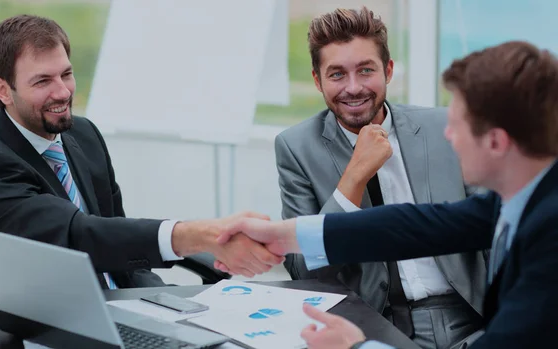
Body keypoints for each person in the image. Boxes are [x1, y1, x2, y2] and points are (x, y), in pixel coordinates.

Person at [216, 40, 558, 349]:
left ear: (496, 142)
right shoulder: (520, 198)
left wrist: (357, 348)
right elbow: (419, 225)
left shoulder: (550, 238)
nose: (449, 136)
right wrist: (283, 236)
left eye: (458, 126)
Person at [0, 14, 283, 290]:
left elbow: (117, 234)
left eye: (66, 74)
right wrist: (198, 235)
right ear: (3, 90)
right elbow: (80, 237)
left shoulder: (83, 134)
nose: (62, 92)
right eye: (42, 81)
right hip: (62, 321)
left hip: (126, 303)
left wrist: (163, 303)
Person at [272, 7, 485, 348]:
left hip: (472, 315)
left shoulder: (443, 128)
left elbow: (496, 229)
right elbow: (303, 271)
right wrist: (353, 178)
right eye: (337, 74)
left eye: (365, 70)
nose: (353, 88)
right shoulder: (295, 148)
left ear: (388, 70)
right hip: (373, 324)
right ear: (317, 80)